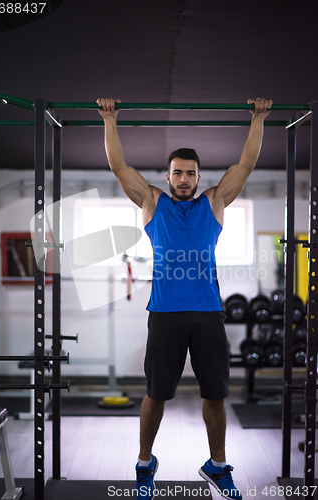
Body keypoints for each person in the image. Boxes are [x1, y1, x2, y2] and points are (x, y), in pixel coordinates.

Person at [97, 97, 272, 500]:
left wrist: (257, 119)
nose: (183, 179)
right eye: (177, 173)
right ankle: (144, 465)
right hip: (164, 315)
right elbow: (119, 168)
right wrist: (110, 119)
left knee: (216, 394)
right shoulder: (153, 202)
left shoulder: (213, 202)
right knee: (155, 395)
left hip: (209, 314)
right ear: (168, 174)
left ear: (198, 177)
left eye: (190, 174)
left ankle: (217, 464)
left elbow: (244, 166)